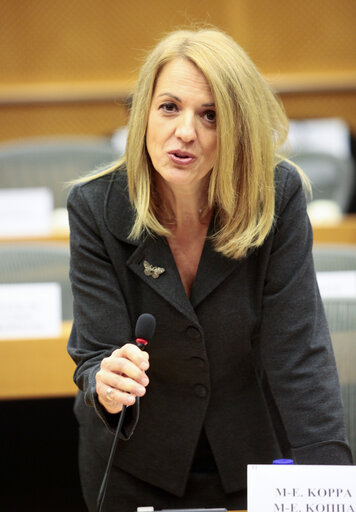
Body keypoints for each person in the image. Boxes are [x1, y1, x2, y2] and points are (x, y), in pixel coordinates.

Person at [67, 27, 353, 512]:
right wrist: (106, 383)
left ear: (237, 128)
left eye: (211, 116)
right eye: (169, 107)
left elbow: (298, 353)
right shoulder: (96, 207)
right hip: (135, 465)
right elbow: (95, 355)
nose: (185, 132)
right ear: (143, 114)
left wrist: (331, 484)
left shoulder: (274, 197)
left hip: (255, 460)